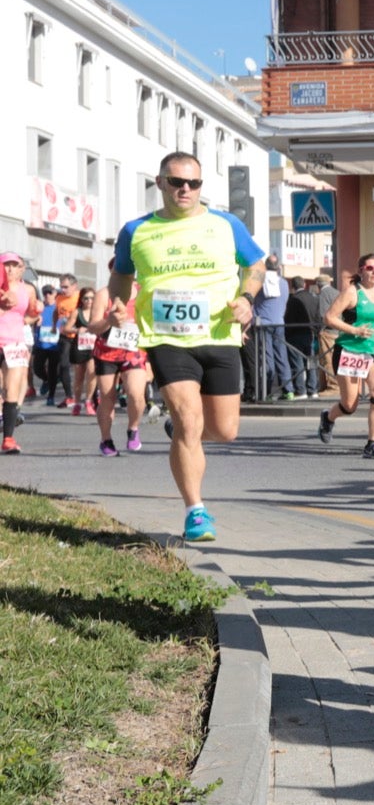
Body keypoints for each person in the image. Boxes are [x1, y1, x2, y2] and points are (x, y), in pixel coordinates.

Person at [111, 152, 266, 541]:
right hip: (167, 338)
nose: (185, 189)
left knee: (224, 430)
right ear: (160, 182)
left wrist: (247, 298)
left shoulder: (226, 224)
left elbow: (257, 266)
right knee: (190, 421)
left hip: (220, 334)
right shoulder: (136, 230)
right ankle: (196, 511)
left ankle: (179, 430)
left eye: (193, 183)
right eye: (177, 182)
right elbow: (121, 274)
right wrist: (117, 304)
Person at [318, 255, 374, 458]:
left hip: (373, 350)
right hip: (349, 350)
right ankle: (329, 417)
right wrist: (355, 330)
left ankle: (372, 443)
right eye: (370, 268)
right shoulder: (352, 292)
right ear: (361, 271)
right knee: (350, 405)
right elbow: (329, 317)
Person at [89, 264, 149, 457]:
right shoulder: (103, 294)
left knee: (136, 393)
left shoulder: (142, 292)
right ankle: (105, 439)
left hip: (133, 350)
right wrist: (109, 320)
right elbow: (93, 326)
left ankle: (133, 428)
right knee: (107, 398)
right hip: (106, 352)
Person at [0, 253, 42, 453]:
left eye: (13, 265)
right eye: (5, 265)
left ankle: (8, 439)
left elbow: (32, 313)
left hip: (16, 343)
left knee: (12, 390)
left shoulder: (29, 290)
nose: (9, 269)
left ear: (21, 268)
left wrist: (35, 313)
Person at [252, 256, 295, 401]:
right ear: (278, 267)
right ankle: (288, 390)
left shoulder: (260, 281)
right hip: (279, 323)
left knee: (266, 359)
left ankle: (267, 391)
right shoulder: (283, 283)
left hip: (263, 325)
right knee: (282, 358)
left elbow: (251, 299)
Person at [285, 274, 321, 398]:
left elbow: (288, 319)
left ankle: (301, 390)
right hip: (310, 334)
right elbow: (318, 317)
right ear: (304, 284)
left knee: (297, 363)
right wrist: (316, 332)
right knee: (311, 362)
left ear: (292, 286)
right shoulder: (314, 298)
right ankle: (313, 389)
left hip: (294, 334)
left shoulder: (292, 300)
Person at [65, 287, 98, 413]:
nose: (89, 301)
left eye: (92, 298)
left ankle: (88, 401)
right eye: (86, 298)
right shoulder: (77, 312)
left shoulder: (98, 312)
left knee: (92, 373)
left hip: (93, 347)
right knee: (79, 377)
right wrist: (77, 330)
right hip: (80, 346)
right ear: (81, 299)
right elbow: (66, 328)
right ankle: (77, 402)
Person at [313, 274, 341, 396]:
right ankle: (325, 385)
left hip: (328, 332)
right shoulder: (337, 292)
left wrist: (320, 329)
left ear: (318, 285)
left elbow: (323, 315)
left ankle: (333, 386)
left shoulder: (323, 294)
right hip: (338, 331)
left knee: (327, 359)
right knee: (334, 358)